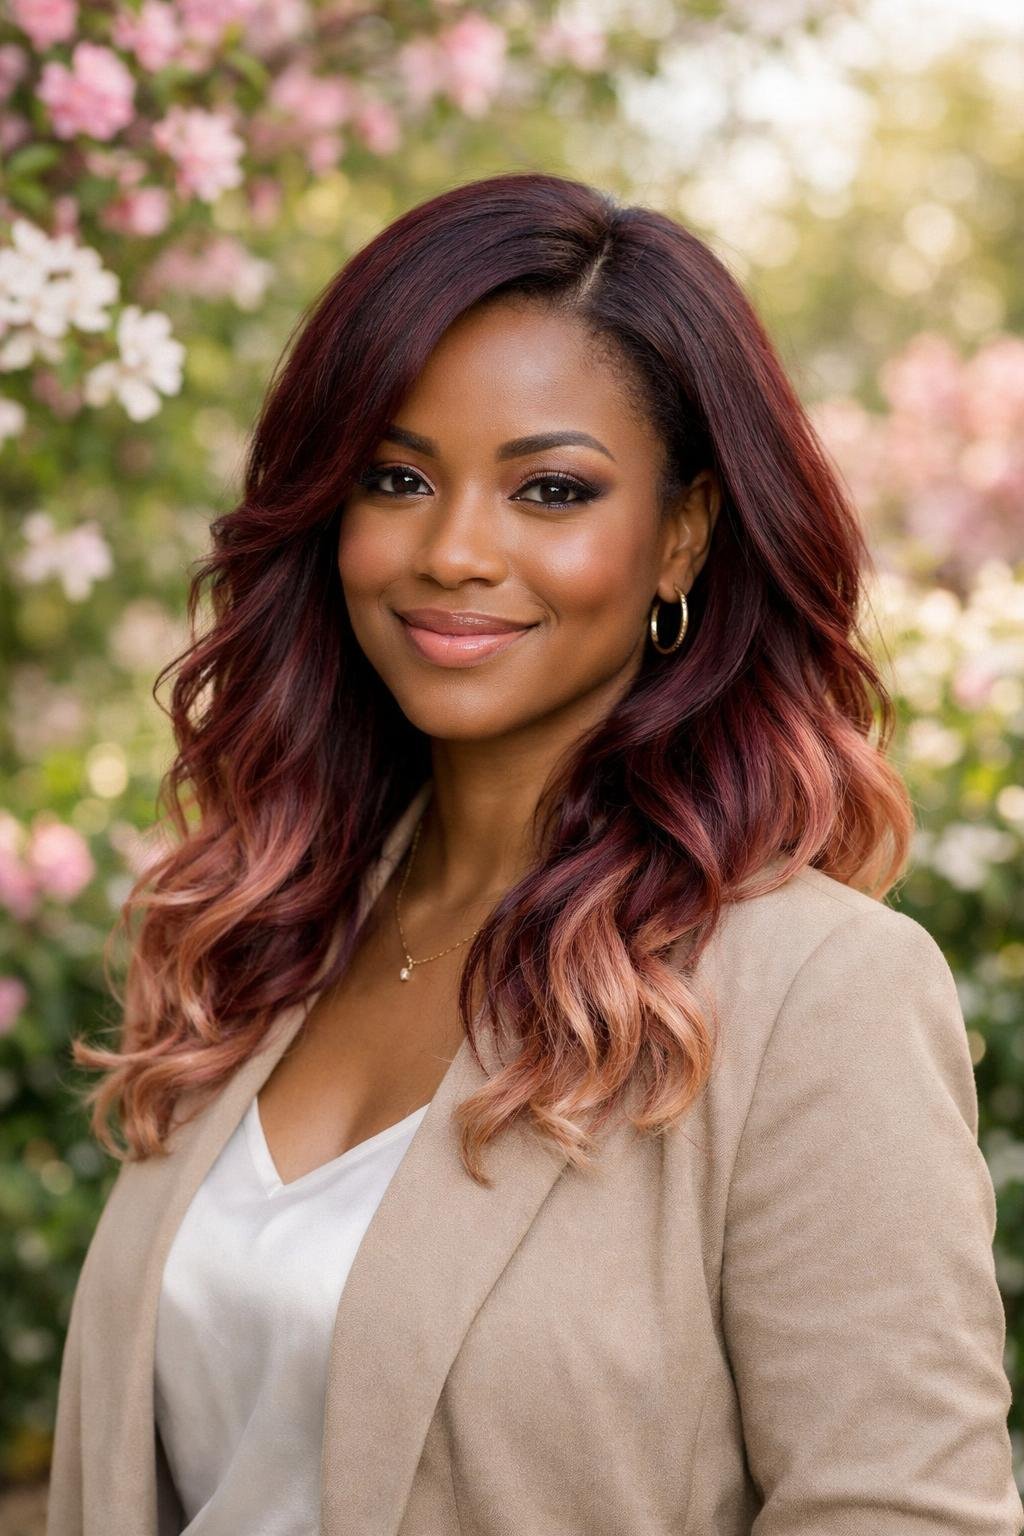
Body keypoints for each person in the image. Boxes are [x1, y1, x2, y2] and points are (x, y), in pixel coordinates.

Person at [46, 170, 1023, 1536]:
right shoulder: (265, 931)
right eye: (398, 478)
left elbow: (902, 1512)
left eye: (550, 490)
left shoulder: (816, 992)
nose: (453, 550)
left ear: (682, 535)